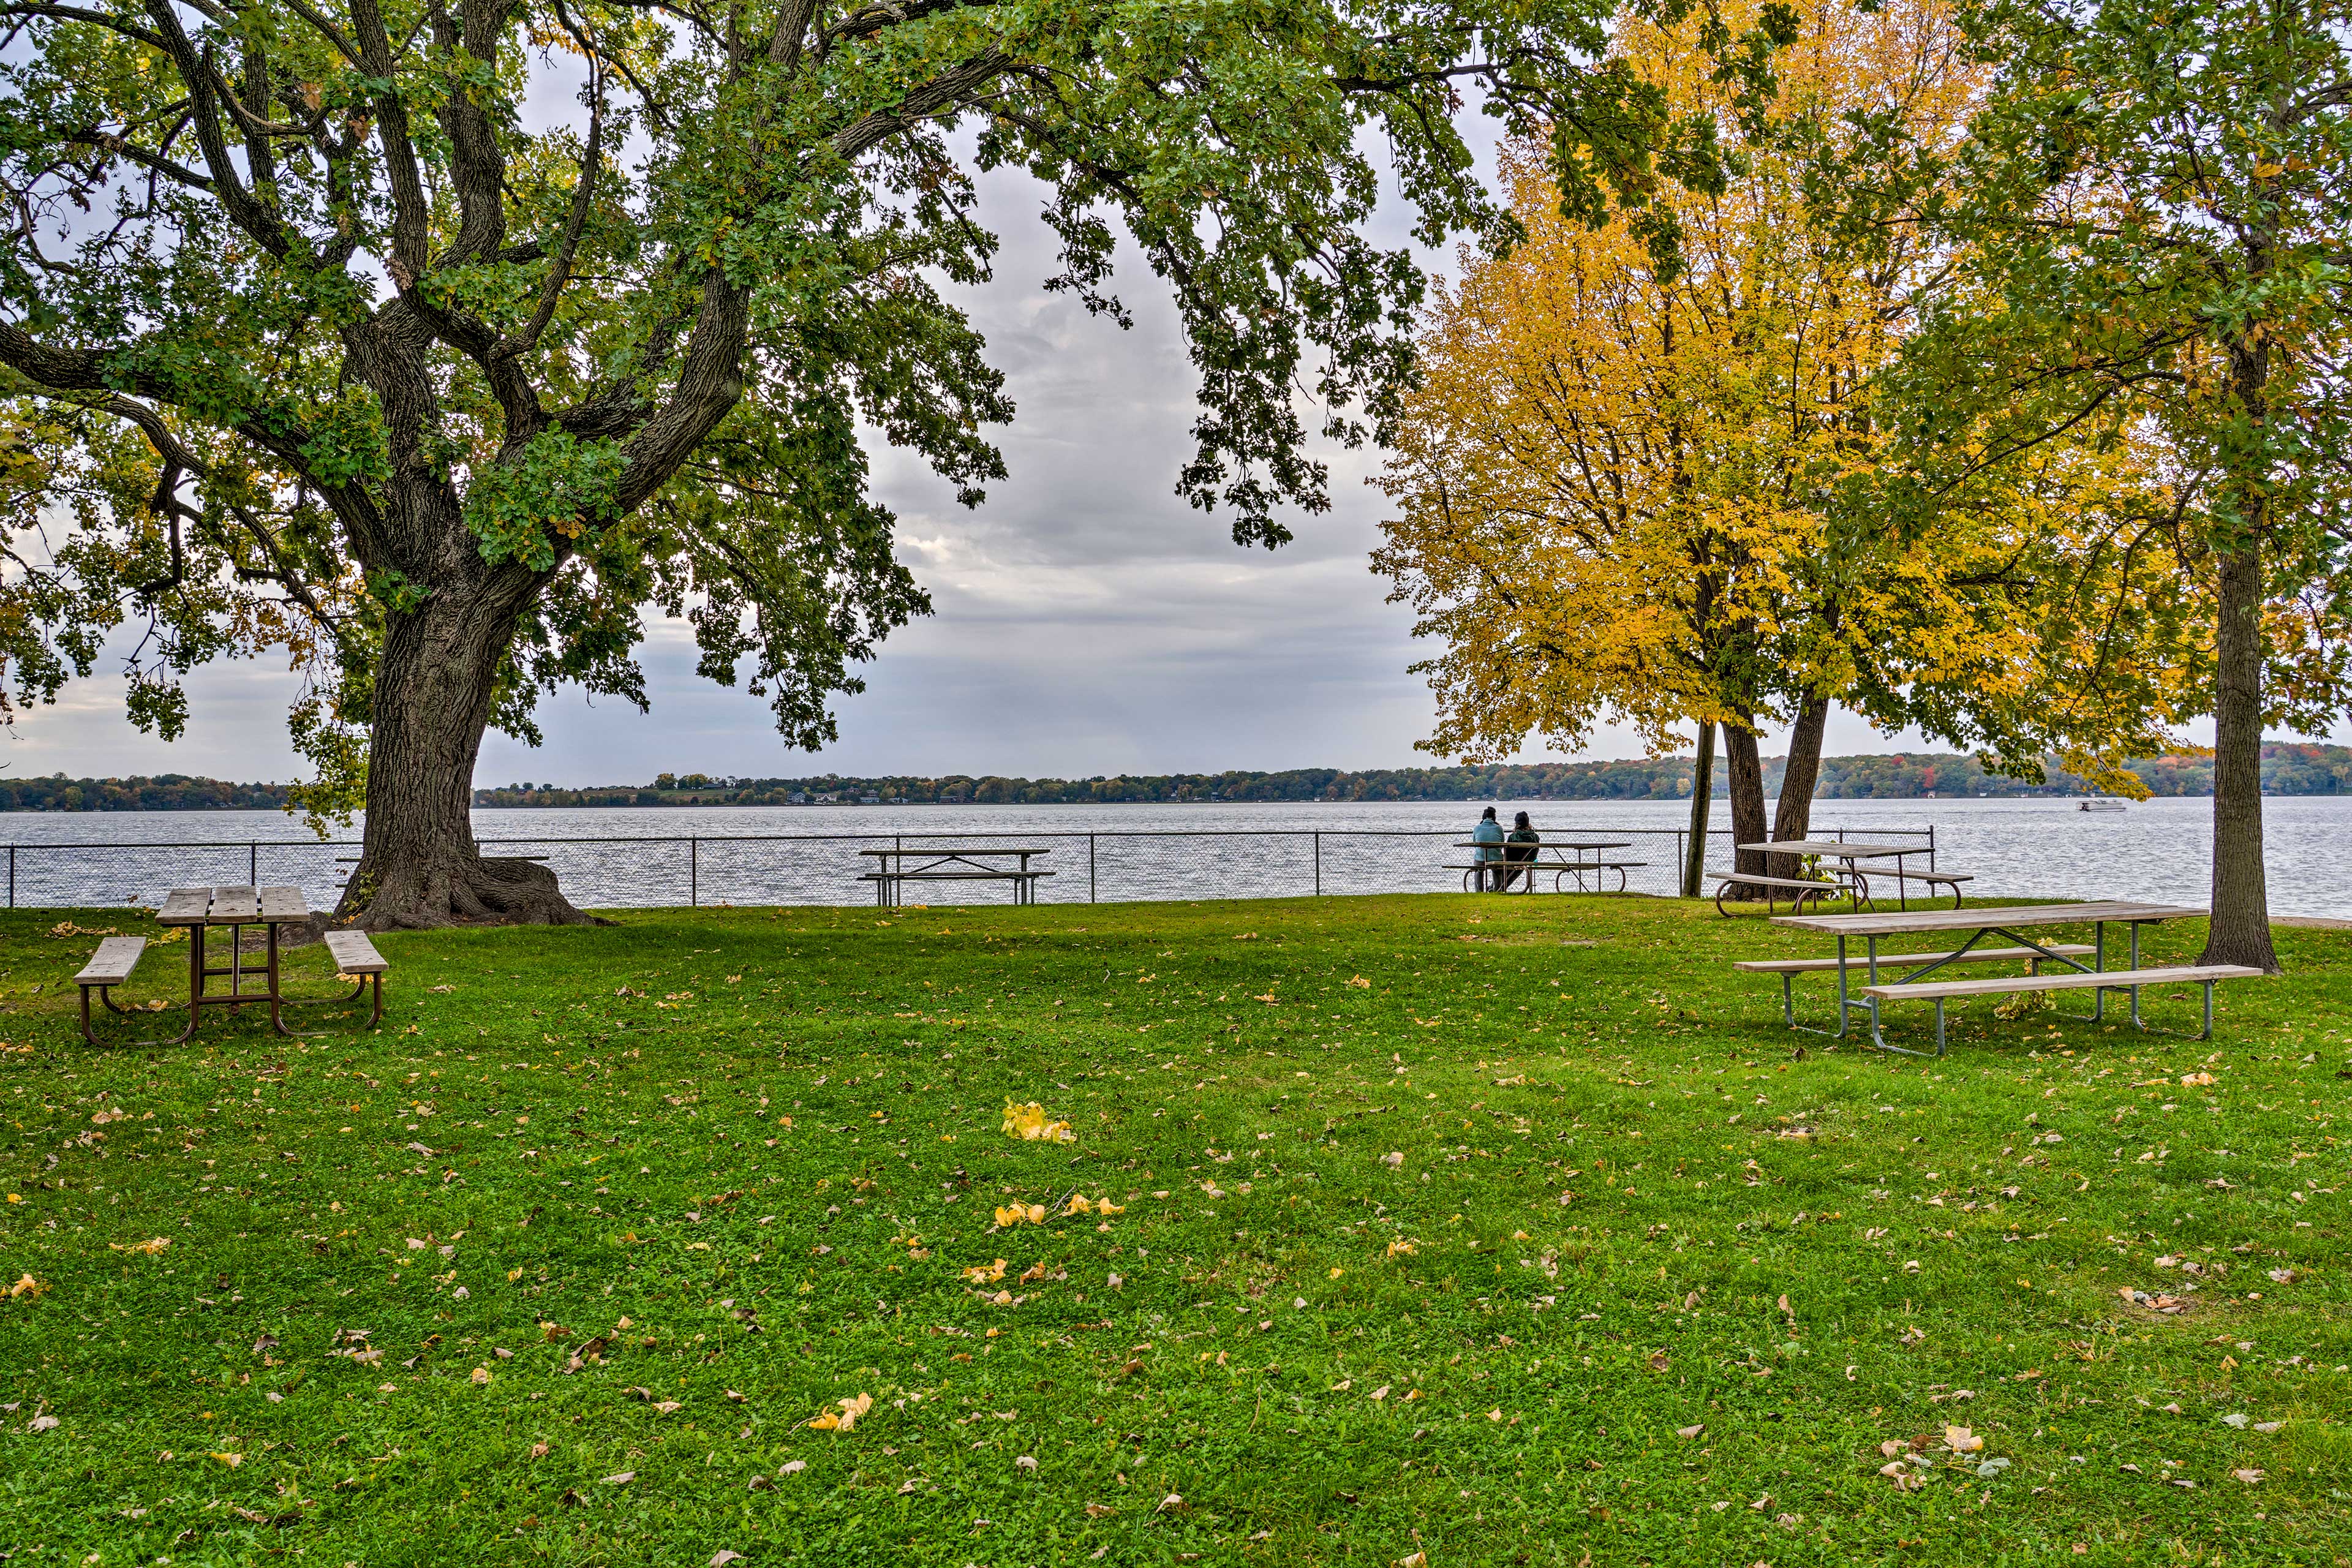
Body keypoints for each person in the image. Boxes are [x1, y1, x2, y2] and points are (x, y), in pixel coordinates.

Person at [1499, 810, 1540, 891]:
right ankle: (1499, 888)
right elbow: (1535, 854)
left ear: (1517, 824)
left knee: (1501, 875)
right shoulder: (1535, 837)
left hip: (1512, 862)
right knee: (1508, 876)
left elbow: (1507, 853)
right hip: (1526, 862)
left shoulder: (1513, 837)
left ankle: (1496, 889)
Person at [1471, 806, 1505, 891]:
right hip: (1496, 858)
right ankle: (1497, 890)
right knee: (1497, 871)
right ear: (1494, 818)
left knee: (1479, 870)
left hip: (1480, 858)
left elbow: (1475, 843)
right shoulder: (1499, 828)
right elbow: (1502, 843)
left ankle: (1479, 891)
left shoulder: (1477, 828)